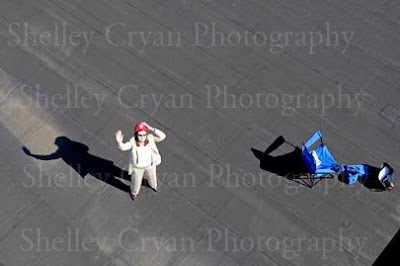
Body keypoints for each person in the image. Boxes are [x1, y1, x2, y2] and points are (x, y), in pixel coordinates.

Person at [115, 122, 166, 201]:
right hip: (138, 168)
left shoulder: (150, 138)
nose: (142, 137)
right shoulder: (133, 142)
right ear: (136, 135)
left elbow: (162, 136)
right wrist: (119, 142)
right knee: (136, 182)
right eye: (140, 135)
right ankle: (134, 193)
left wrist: (150, 128)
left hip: (150, 165)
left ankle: (153, 186)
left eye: (144, 134)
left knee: (152, 178)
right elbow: (124, 147)